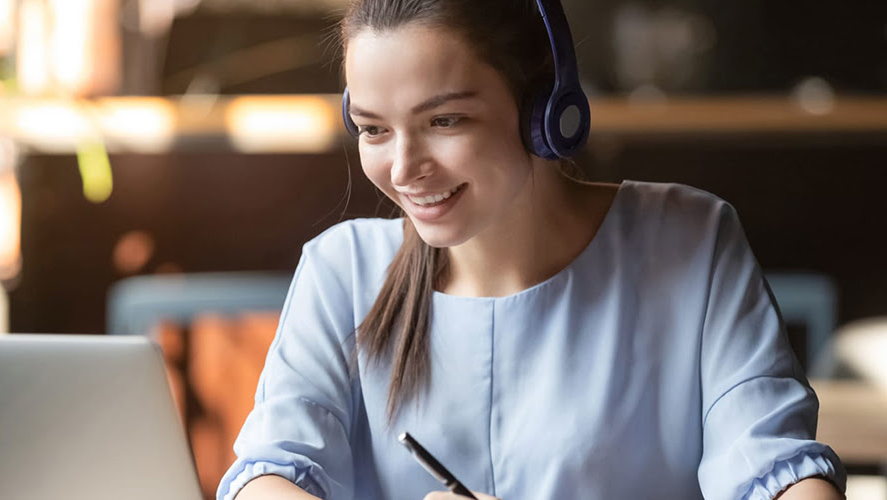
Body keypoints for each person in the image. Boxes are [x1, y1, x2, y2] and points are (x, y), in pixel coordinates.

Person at [217, 0, 847, 499]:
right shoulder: (341, 269)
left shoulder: (691, 240)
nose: (404, 168)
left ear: (544, 109)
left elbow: (776, 468)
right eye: (375, 129)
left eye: (444, 122)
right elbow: (273, 470)